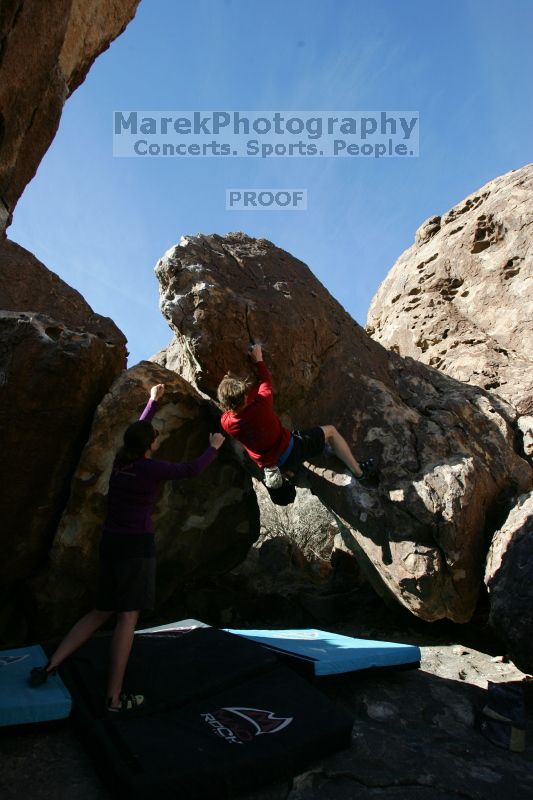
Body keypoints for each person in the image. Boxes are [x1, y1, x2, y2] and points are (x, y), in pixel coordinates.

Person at [29, 383, 224, 712]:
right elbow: (191, 470)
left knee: (101, 609)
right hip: (136, 548)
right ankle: (114, 698)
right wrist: (214, 447)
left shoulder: (122, 463)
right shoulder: (151, 469)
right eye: (154, 438)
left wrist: (151, 402)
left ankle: (50, 665)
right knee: (127, 618)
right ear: (151, 445)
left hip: (111, 544)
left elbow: (135, 433)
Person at [217, 344, 373, 499]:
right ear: (245, 397)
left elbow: (232, 408)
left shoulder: (227, 424)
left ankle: (290, 473)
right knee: (331, 431)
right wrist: (258, 359)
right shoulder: (261, 404)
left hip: (275, 466)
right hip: (292, 449)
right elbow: (265, 381)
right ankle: (360, 473)